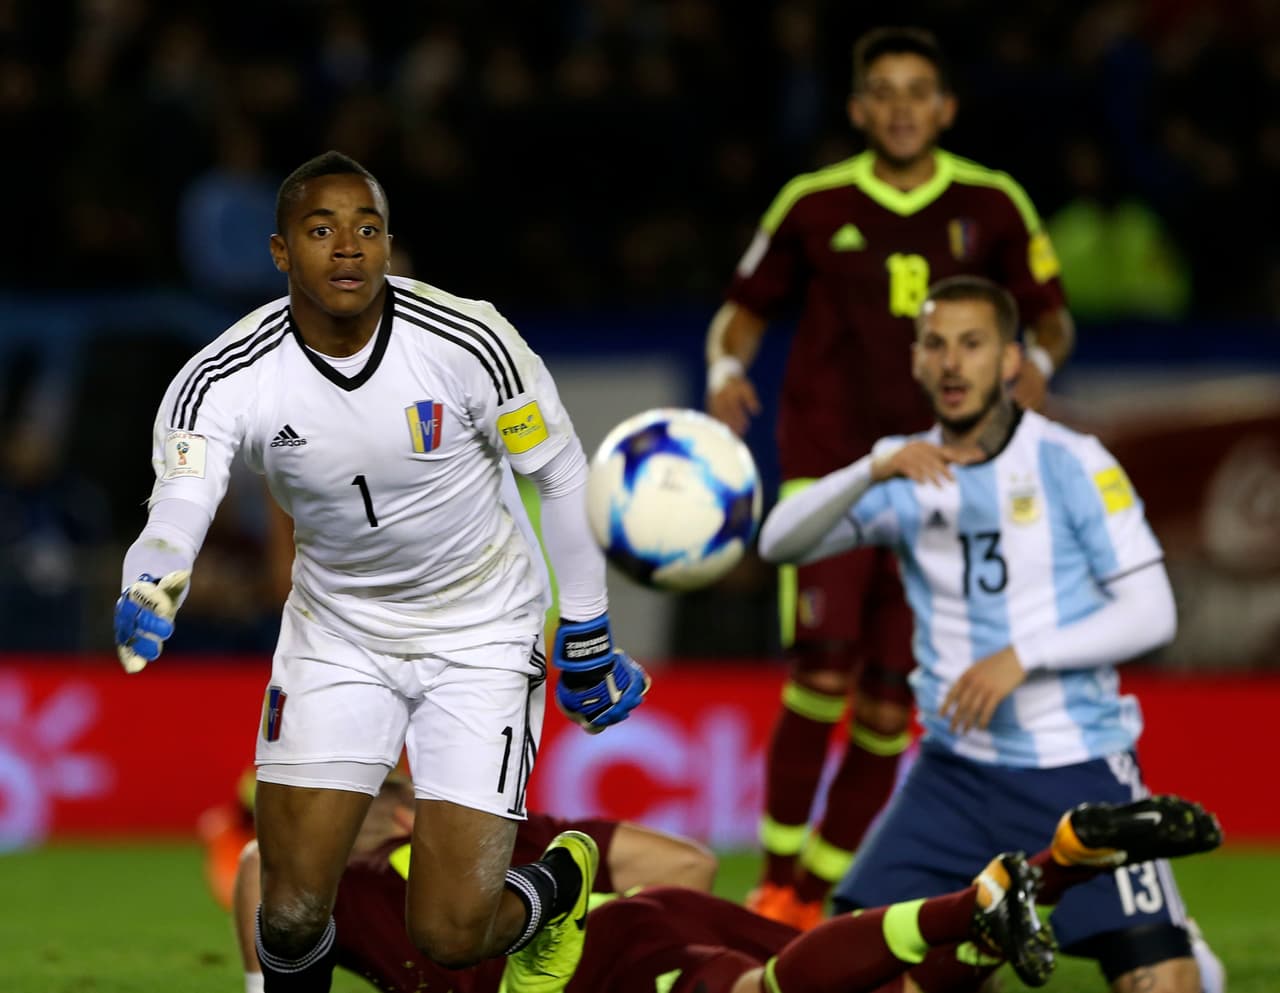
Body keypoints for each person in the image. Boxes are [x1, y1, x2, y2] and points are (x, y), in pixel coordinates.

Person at [112, 150, 651, 993]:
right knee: (288, 909)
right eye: (321, 230)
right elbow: (180, 500)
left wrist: (586, 622)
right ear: (281, 252)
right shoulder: (224, 377)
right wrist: (155, 575)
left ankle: (561, 885)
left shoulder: (470, 340)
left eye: (366, 229)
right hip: (338, 632)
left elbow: (560, 472)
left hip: (481, 627)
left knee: (450, 930)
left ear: (389, 244)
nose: (349, 249)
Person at [704, 26, 1075, 926]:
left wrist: (1037, 366)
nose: (903, 108)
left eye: (920, 92)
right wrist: (725, 372)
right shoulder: (813, 202)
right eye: (885, 91)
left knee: (885, 702)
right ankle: (777, 873)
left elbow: (1052, 319)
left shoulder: (991, 204)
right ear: (859, 108)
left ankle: (814, 892)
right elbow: (740, 315)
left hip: (945, 487)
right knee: (820, 673)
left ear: (944, 108)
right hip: (832, 477)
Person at [758, 275, 1221, 992]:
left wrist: (1022, 657)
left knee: (1160, 978)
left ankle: (1179, 939)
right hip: (952, 776)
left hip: (1075, 765)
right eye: (936, 344)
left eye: (972, 344)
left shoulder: (1071, 461)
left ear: (1010, 360)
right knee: (861, 971)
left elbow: (1152, 609)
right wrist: (869, 466)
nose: (952, 362)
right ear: (915, 359)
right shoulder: (906, 471)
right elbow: (779, 543)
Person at [235, 775, 1222, 993]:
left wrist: (550, 889)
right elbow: (681, 867)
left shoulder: (353, 880)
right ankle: (1050, 867)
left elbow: (255, 876)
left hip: (606, 965)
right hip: (647, 925)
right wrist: (562, 868)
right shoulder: (489, 836)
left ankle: (988, 894)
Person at [230, 774, 720, 991]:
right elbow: (688, 866)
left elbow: (260, 861)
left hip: (621, 951)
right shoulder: (523, 830)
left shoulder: (351, 885)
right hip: (640, 944)